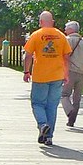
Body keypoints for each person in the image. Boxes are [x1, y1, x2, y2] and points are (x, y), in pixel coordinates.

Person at [22, 10, 72, 146]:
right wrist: (66, 74)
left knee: (38, 103)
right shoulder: (61, 36)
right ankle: (48, 137)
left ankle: (43, 124)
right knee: (52, 106)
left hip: (40, 76)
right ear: (53, 22)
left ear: (40, 22)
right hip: (57, 76)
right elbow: (66, 57)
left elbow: (28, 55)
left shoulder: (36, 35)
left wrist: (26, 71)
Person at [61, 20, 83, 127]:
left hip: (70, 71)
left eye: (66, 28)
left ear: (71, 30)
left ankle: (69, 112)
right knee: (77, 97)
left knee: (64, 94)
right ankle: (72, 120)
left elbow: (63, 56)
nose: (64, 30)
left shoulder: (66, 40)